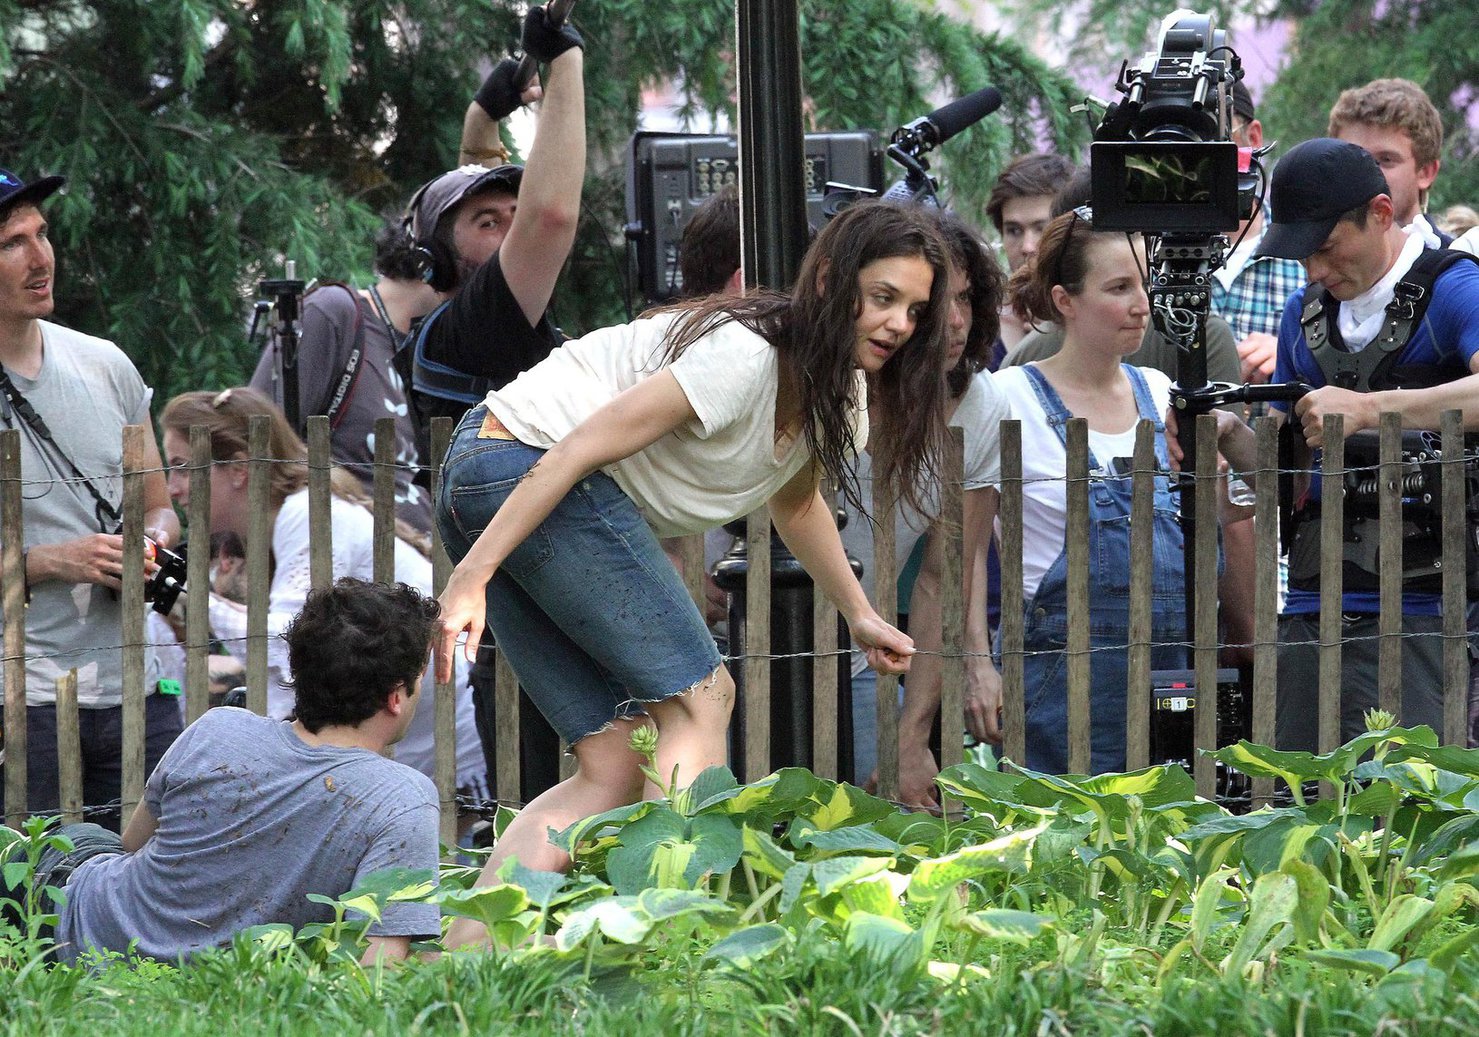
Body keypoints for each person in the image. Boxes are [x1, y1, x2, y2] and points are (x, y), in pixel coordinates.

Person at [434, 201, 953, 912]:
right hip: (519, 462)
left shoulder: (838, 392)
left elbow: (794, 501)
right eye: (884, 297)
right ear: (831, 281)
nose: (898, 323)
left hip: (489, 473)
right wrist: (472, 575)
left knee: (615, 761)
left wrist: (858, 613)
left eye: (915, 310)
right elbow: (580, 444)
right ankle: (664, 929)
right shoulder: (745, 355)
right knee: (703, 696)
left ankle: (472, 951)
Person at [1174, 138, 1479, 750]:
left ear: (1381, 214)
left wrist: (1370, 409)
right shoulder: (1302, 315)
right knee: (1300, 808)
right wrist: (1228, 433)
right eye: (1302, 256)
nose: (1314, 270)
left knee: (1410, 813)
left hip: (1428, 612)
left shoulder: (1455, 288)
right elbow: (1286, 478)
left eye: (1326, 248)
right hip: (1310, 606)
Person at [4, 579, 443, 965]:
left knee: (85, 841)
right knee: (87, 841)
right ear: (395, 696)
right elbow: (379, 963)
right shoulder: (403, 798)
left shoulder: (220, 727)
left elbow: (133, 845)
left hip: (73, 922)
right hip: (164, 952)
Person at [403, 5, 586, 808]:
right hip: (527, 625)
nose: (511, 230)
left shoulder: (481, 323)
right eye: (487, 223)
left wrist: (491, 111)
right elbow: (550, 213)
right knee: (552, 830)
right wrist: (566, 63)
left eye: (509, 216)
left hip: (550, 605)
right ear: (434, 256)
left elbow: (500, 201)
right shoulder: (467, 328)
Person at [157, 388, 487, 798]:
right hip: (408, 723)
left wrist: (177, 597)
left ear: (239, 469)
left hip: (437, 728)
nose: (172, 488)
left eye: (183, 468)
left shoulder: (306, 513)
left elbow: (283, 645)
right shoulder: (280, 521)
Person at [0, 168, 181, 830]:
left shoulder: (106, 364)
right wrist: (53, 561)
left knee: (153, 889)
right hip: (23, 699)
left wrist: (151, 544)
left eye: (41, 234)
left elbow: (162, 505)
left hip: (139, 687)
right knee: (34, 908)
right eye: (11, 242)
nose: (40, 256)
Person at [996, 206, 1191, 774]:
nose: (1141, 304)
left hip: (1168, 666)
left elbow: (1228, 509)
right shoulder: (1008, 398)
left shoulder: (1158, 392)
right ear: (1064, 300)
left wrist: (1228, 429)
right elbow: (956, 552)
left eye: (1145, 284)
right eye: (1119, 287)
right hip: (1058, 670)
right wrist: (979, 668)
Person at [849, 210, 1008, 808]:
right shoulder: (839, 380)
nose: (959, 321)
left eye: (968, 299)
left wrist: (910, 737)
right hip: (752, 639)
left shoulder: (978, 403)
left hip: (871, 657)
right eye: (940, 301)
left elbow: (944, 579)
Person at [250, 217, 442, 534]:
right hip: (339, 566)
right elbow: (253, 440)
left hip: (424, 568)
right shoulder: (335, 312)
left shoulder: (437, 349)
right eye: (486, 225)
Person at [1328, 78, 1450, 248]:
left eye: (1385, 160)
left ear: (1426, 172)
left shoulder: (1458, 268)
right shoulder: (1319, 265)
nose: (1365, 174)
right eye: (1351, 159)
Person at [984, 153, 1075, 362]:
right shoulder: (981, 324)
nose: (1027, 247)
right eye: (1014, 230)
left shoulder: (1102, 320)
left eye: (1042, 229)